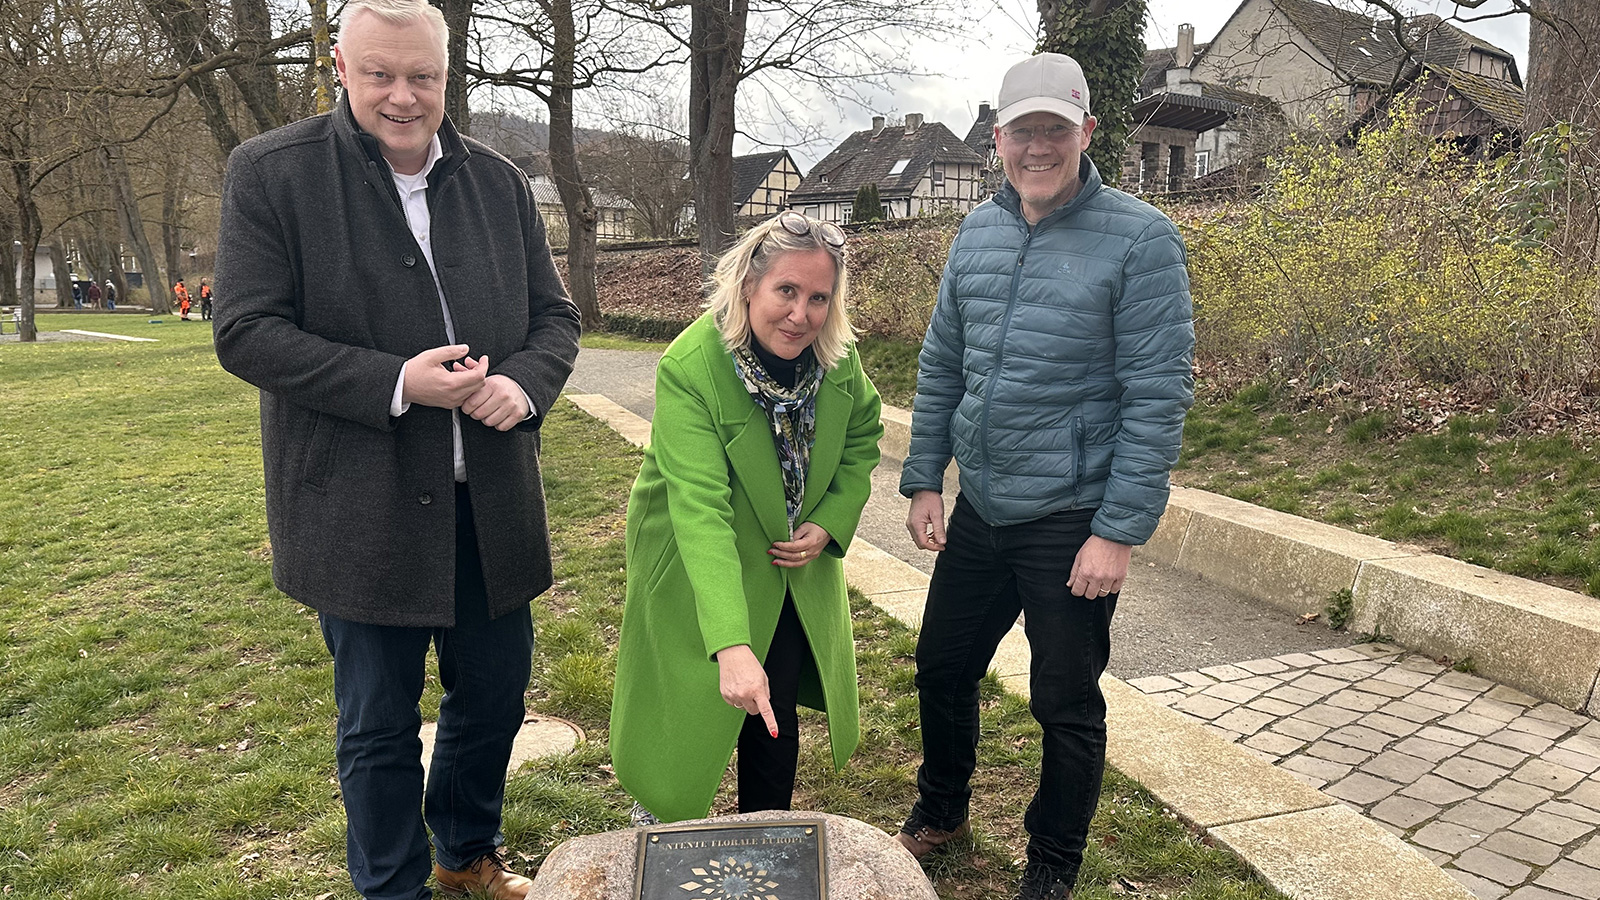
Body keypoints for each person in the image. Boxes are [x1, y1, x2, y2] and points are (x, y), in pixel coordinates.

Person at [211, 0, 581, 897]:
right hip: (358, 506)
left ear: (448, 74)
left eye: (423, 76)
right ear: (340, 68)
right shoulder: (271, 173)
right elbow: (247, 332)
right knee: (377, 722)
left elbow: (555, 317)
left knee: (491, 698)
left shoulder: (499, 180)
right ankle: (393, 886)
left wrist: (523, 384)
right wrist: (398, 383)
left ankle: (464, 854)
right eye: (380, 74)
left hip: (488, 502)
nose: (404, 96)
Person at [893, 52, 1195, 900]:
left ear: (1086, 134)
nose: (1037, 147)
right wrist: (925, 478)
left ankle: (1052, 863)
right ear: (997, 139)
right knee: (942, 665)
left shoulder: (1141, 239)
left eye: (1054, 130)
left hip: (1073, 517)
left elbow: (1157, 396)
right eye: (1022, 130)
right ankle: (941, 808)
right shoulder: (977, 231)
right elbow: (943, 361)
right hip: (984, 507)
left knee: (1063, 702)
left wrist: (1117, 531)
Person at [610, 211, 883, 825]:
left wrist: (832, 518)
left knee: (774, 697)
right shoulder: (693, 365)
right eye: (786, 291)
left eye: (819, 297)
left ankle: (768, 829)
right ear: (748, 287)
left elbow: (866, 432)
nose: (800, 314)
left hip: (786, 559)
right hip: (690, 553)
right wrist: (731, 644)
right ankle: (664, 814)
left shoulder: (837, 360)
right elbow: (700, 508)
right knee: (692, 691)